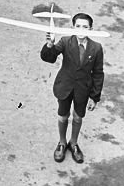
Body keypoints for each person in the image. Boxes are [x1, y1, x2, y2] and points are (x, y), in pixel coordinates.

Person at [40, 10, 104, 164]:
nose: (81, 30)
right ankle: (62, 143)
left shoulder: (96, 48)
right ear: (72, 27)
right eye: (78, 26)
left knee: (77, 116)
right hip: (65, 87)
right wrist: (50, 44)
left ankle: (73, 143)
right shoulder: (65, 41)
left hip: (83, 90)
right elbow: (49, 57)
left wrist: (95, 97)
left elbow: (98, 73)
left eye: (85, 27)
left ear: (90, 29)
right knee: (63, 116)